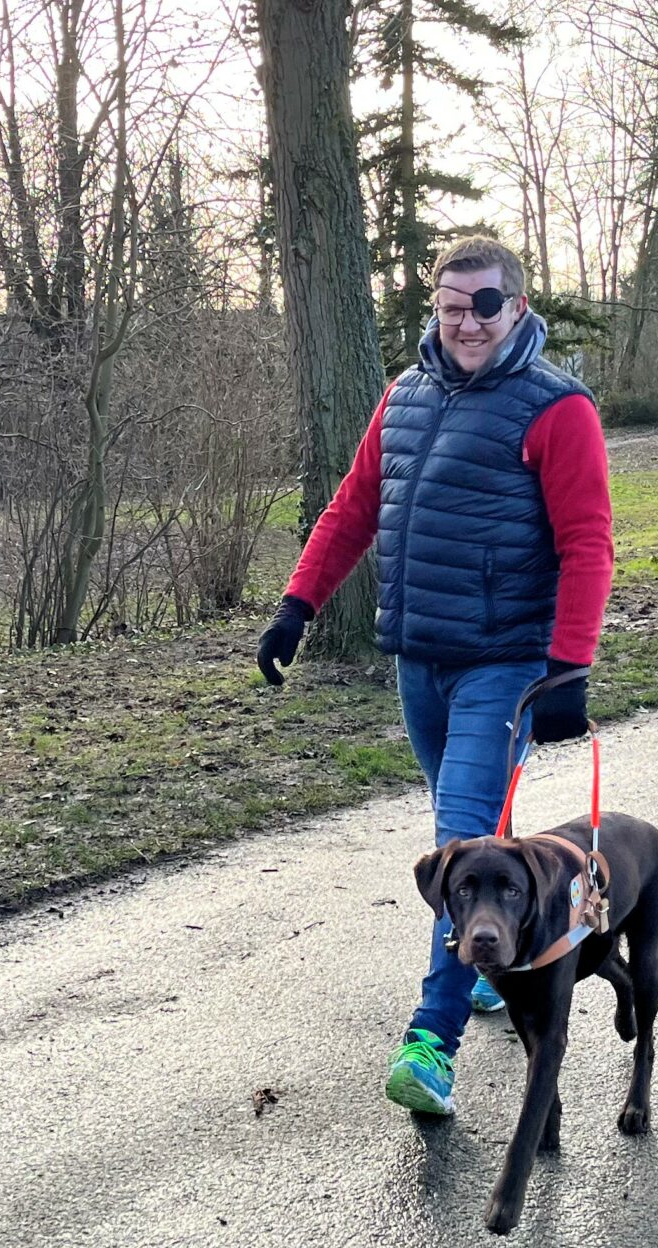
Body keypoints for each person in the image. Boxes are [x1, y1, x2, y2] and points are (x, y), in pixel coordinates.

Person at [255, 235, 614, 1118]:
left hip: (506, 664)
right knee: (474, 830)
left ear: (516, 308)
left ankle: (431, 1044)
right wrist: (297, 605)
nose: (464, 323)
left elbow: (589, 543)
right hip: (421, 663)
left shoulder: (556, 410)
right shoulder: (405, 397)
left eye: (482, 306)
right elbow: (352, 509)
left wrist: (568, 666)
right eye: (450, 307)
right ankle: (497, 954)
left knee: (460, 834)